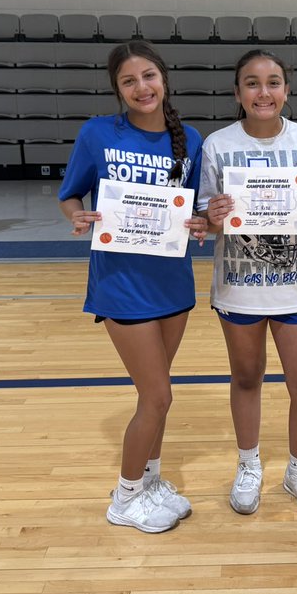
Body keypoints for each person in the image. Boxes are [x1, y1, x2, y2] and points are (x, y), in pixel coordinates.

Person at [58, 40, 206, 534]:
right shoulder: (97, 134)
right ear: (117, 90)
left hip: (174, 284)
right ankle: (125, 497)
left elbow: (196, 210)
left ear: (164, 79)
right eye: (128, 81)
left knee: (157, 395)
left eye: (148, 76)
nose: (141, 87)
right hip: (122, 285)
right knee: (157, 396)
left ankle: (150, 481)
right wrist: (79, 218)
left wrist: (203, 223)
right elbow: (69, 196)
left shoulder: (191, 139)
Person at [198, 50, 297, 517]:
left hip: (294, 285)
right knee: (247, 378)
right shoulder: (217, 145)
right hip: (239, 285)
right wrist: (210, 217)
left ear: (286, 91)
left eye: (273, 82)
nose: (263, 92)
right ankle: (249, 464)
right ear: (238, 93)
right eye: (252, 83)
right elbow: (204, 220)